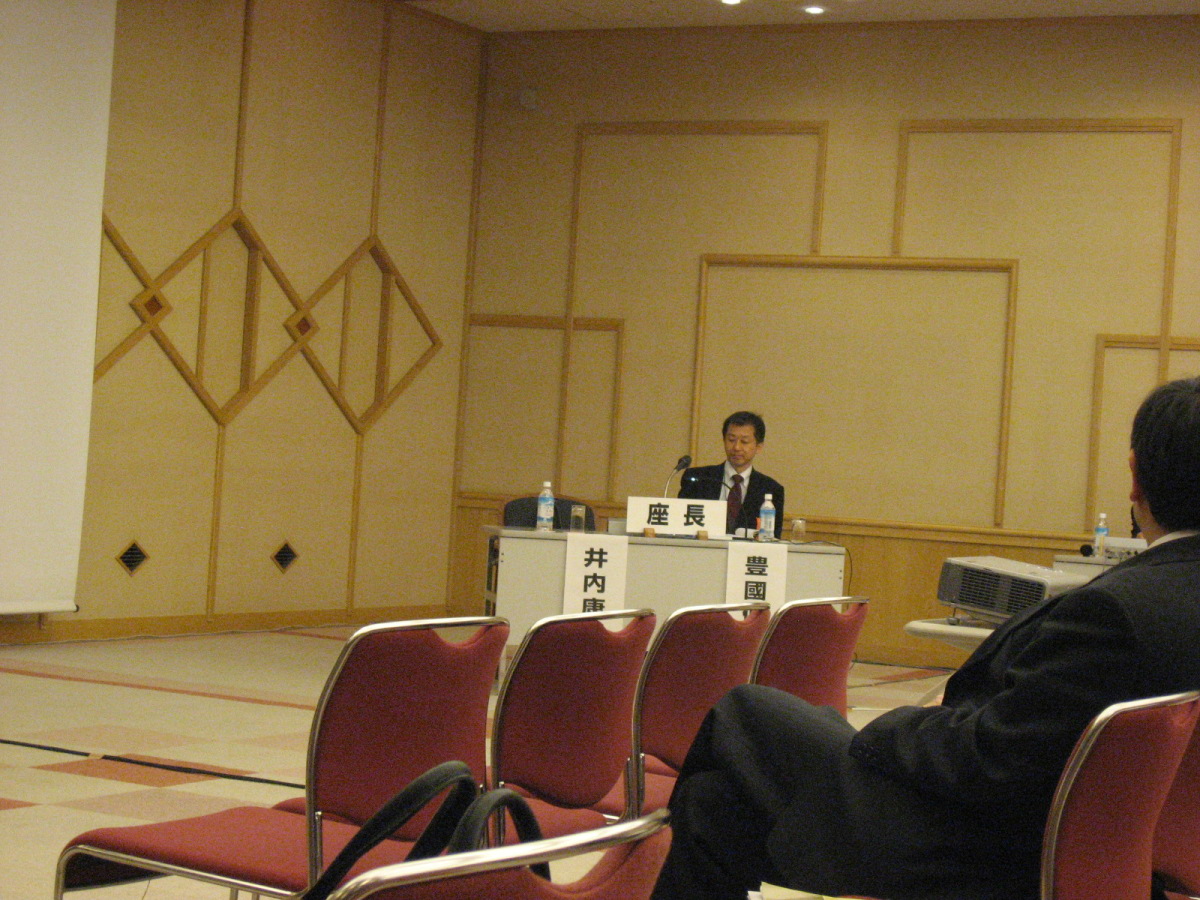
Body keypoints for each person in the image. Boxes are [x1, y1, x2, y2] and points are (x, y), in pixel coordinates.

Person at [652, 377, 1200, 900]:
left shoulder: (1114, 611)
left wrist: (898, 726)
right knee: (713, 804)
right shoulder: (1172, 591)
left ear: (1135, 476)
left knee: (744, 710)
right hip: (1103, 846)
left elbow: (994, 761)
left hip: (978, 844)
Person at [679, 411, 785, 538]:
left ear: (759, 447)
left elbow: (773, 538)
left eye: (744, 441)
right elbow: (680, 525)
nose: (736, 447)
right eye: (731, 440)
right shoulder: (698, 479)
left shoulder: (771, 489)